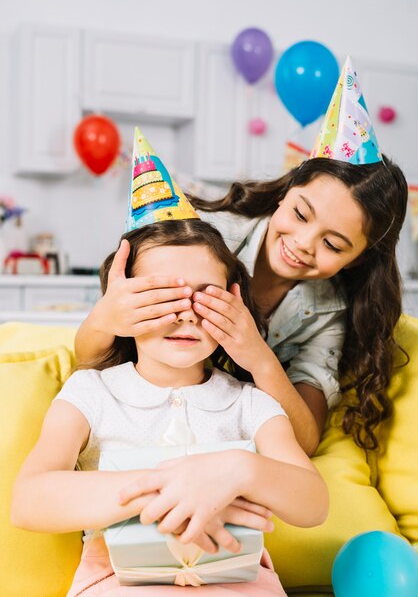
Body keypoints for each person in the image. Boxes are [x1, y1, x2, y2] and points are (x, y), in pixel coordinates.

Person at [75, 58, 409, 454]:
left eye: (333, 245)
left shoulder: (330, 310)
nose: (303, 242)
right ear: (285, 192)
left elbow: (304, 439)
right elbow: (93, 359)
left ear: (356, 259)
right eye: (300, 214)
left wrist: (256, 353)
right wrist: (107, 316)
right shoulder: (205, 236)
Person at [11, 218, 329, 597]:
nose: (186, 314)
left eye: (205, 296)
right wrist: (170, 492)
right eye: (162, 296)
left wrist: (240, 469)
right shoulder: (91, 392)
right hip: (119, 583)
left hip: (240, 583)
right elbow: (28, 502)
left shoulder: (249, 403)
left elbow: (314, 504)